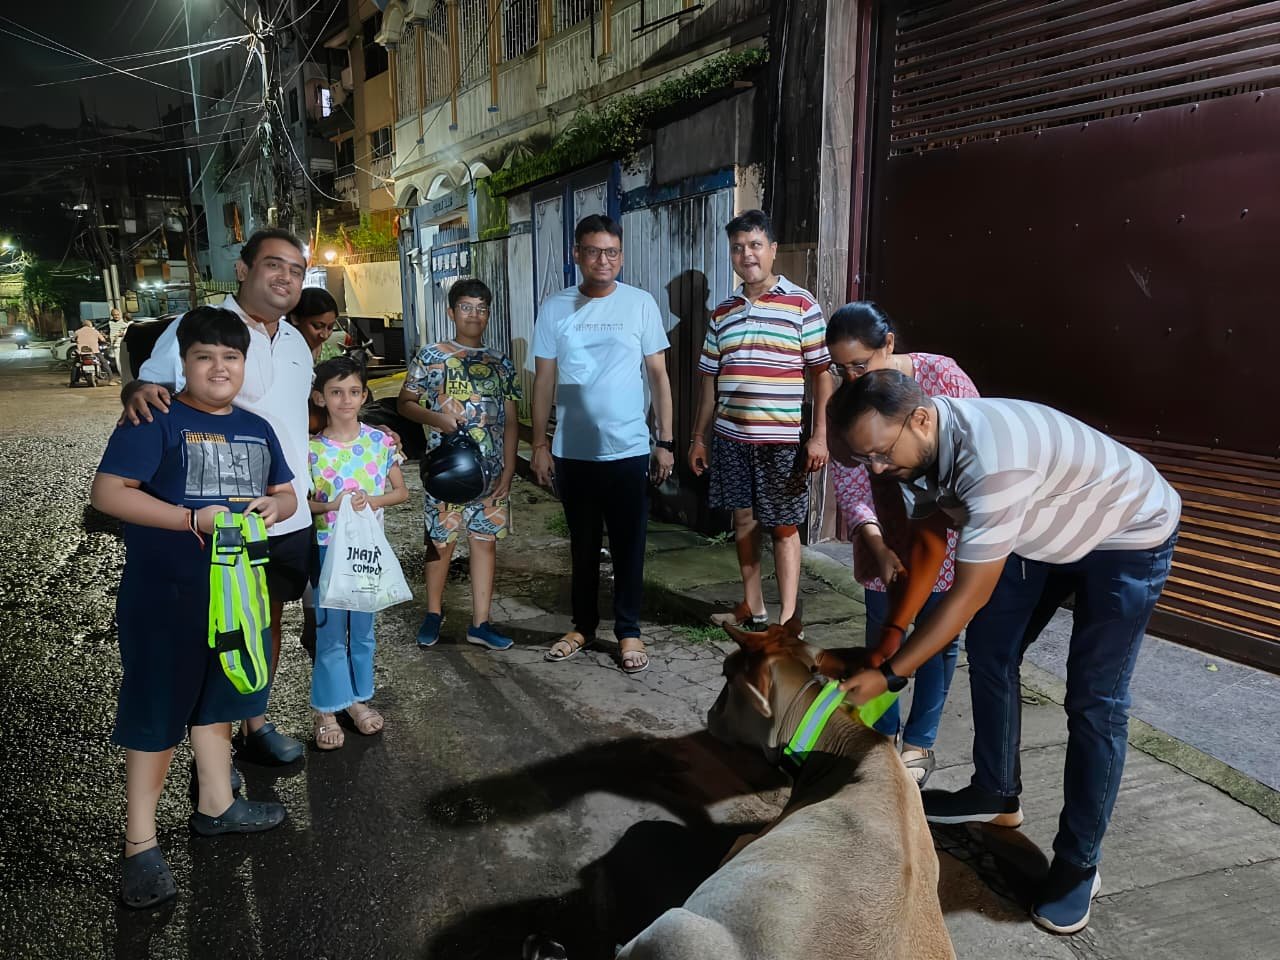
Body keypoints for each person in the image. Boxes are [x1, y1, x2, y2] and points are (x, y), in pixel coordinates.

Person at [831, 370, 1181, 935]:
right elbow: (928, 539)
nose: (875, 469)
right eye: (865, 457)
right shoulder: (914, 451)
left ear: (921, 418)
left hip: (1127, 531)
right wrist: (893, 633)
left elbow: (967, 595)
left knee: (1095, 699)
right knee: (993, 649)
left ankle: (1078, 863)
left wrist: (893, 675)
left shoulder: (991, 462)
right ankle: (996, 791)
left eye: (879, 454)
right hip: (1043, 525)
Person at [90, 307, 296, 910]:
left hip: (237, 597)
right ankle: (140, 844)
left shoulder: (258, 429)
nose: (219, 368)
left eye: (230, 357)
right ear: (182, 364)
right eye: (205, 356)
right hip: (165, 595)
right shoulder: (153, 416)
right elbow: (107, 493)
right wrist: (188, 520)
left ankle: (217, 805)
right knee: (157, 715)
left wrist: (275, 509)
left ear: (244, 365)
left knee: (219, 702)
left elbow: (285, 493)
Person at [124, 228, 314, 767]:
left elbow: (297, 419)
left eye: (296, 270)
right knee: (209, 629)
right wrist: (135, 391)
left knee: (265, 620)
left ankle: (256, 720)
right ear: (243, 268)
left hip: (284, 511)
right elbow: (150, 390)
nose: (286, 278)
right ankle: (212, 761)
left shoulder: (298, 340)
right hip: (214, 523)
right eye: (274, 265)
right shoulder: (200, 326)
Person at [826, 302, 979, 785]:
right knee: (883, 631)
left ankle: (920, 741)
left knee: (939, 636)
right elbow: (850, 480)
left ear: (888, 345)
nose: (850, 377)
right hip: (884, 534)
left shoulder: (944, 379)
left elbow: (969, 463)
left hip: (948, 530)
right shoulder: (844, 402)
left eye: (860, 364)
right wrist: (876, 543)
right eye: (840, 367)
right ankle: (882, 735)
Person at [530, 215, 675, 673]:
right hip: (574, 451)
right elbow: (544, 379)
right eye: (593, 251)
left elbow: (658, 375)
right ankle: (582, 625)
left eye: (611, 252)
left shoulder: (640, 304)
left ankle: (629, 631)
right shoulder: (555, 308)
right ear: (577, 254)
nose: (603, 260)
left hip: (630, 448)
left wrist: (665, 440)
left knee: (631, 546)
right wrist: (539, 443)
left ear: (621, 256)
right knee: (583, 545)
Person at [689, 209, 832, 630]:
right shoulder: (722, 312)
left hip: (783, 440)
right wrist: (699, 437)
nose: (746, 254)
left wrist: (819, 436)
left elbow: (824, 375)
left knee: (785, 525)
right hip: (731, 437)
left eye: (754, 245)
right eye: (737, 247)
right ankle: (753, 606)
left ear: (772, 250)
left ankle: (788, 618)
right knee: (743, 519)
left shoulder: (802, 304)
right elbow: (708, 382)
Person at [398, 278, 521, 651]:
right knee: (440, 543)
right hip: (446, 473)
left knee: (484, 543)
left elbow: (512, 419)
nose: (474, 314)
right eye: (466, 307)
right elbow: (405, 402)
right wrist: (437, 420)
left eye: (482, 308)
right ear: (451, 312)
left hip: (490, 474)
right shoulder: (431, 356)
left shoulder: (500, 361)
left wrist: (510, 468)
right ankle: (433, 613)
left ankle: (480, 623)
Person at [307, 356, 408, 749]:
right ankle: (327, 707)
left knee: (363, 633)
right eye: (335, 392)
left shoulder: (380, 442)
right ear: (320, 397)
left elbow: (400, 491)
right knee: (331, 632)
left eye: (352, 392)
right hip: (327, 551)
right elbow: (302, 504)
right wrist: (331, 506)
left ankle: (359, 700)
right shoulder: (311, 449)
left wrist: (373, 500)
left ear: (364, 395)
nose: (345, 400)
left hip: (366, 553)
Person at [289, 287, 343, 362]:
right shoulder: (281, 355)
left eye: (330, 327)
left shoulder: (332, 356)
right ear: (295, 319)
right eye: (317, 326)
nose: (325, 335)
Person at [71, 318, 111, 385]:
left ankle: (73, 381)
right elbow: (103, 339)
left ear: (83, 325)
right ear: (90, 325)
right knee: (104, 363)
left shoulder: (78, 331)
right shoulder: (95, 331)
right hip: (94, 352)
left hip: (82, 352)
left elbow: (72, 339)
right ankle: (110, 378)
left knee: (76, 365)